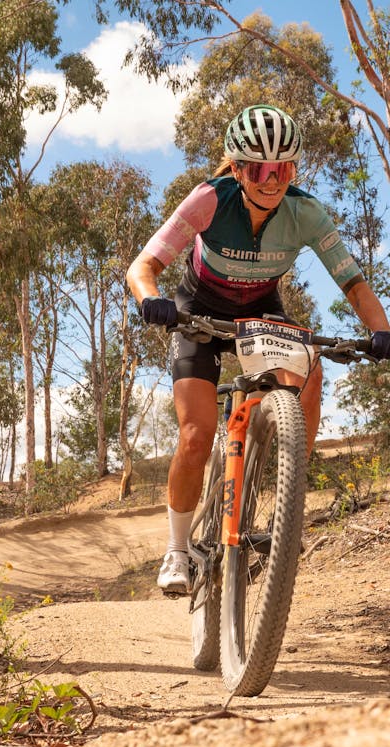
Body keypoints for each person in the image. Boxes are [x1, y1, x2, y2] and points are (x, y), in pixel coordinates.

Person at [127, 104, 390, 595]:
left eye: (283, 169)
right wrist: (153, 301)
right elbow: (142, 268)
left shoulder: (306, 211)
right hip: (197, 310)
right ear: (237, 168)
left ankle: (288, 487)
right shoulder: (208, 199)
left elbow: (353, 283)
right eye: (257, 169)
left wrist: (381, 330)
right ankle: (177, 550)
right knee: (196, 433)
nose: (271, 180)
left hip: (260, 311)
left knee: (310, 369)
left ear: (293, 170)